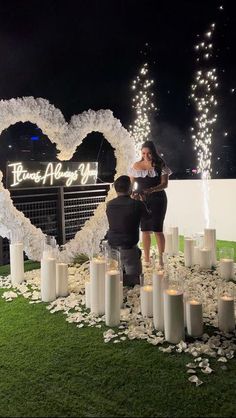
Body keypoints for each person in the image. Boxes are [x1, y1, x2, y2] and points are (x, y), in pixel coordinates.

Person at [129, 140, 172, 267]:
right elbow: (130, 185)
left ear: (153, 152)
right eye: (143, 153)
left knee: (158, 229)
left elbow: (165, 184)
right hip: (142, 200)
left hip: (158, 199)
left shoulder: (161, 165)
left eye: (149, 153)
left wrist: (151, 190)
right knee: (145, 230)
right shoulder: (135, 166)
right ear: (141, 153)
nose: (146, 156)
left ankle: (161, 260)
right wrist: (132, 194)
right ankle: (146, 260)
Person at [106, 175, 149, 286]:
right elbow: (149, 218)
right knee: (134, 282)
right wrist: (143, 202)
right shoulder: (137, 204)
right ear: (130, 188)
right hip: (129, 248)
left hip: (112, 247)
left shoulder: (109, 205)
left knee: (115, 282)